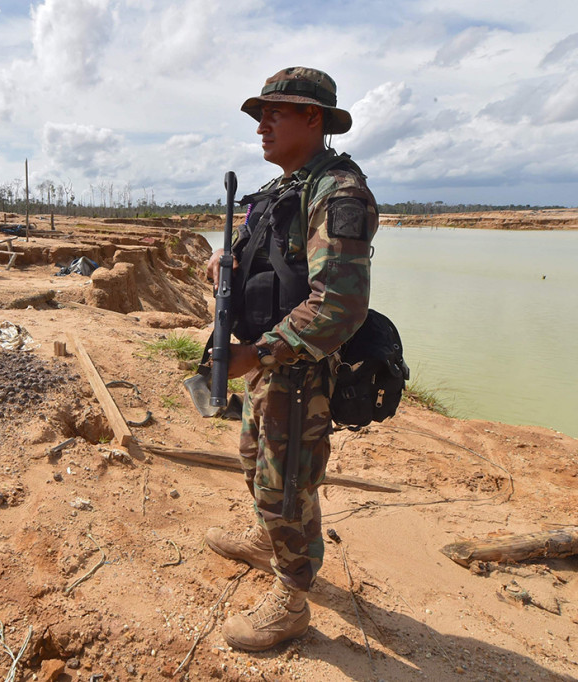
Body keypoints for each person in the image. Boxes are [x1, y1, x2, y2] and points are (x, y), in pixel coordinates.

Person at [204, 67, 378, 652]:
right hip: (267, 361)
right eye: (260, 115)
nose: (262, 126)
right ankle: (267, 542)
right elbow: (264, 260)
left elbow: (339, 304)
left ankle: (291, 600)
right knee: (256, 462)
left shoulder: (339, 191)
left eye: (275, 113)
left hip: (298, 368)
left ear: (313, 117)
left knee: (287, 483)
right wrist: (225, 263)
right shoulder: (284, 189)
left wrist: (257, 353)